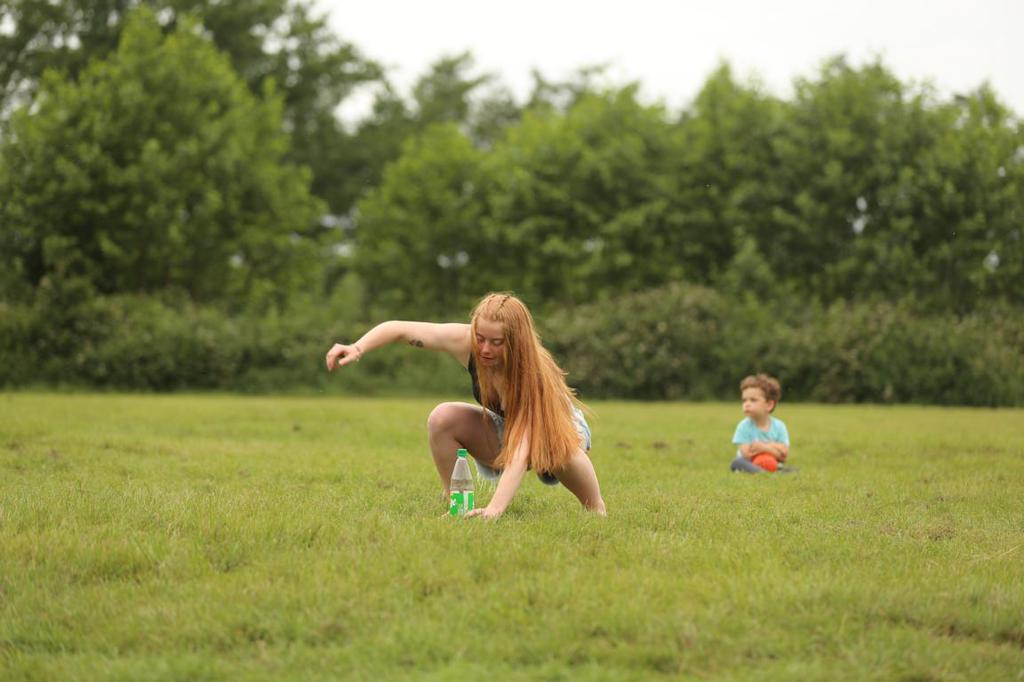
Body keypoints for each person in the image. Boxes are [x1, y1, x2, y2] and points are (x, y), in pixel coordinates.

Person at [324, 292, 606, 519]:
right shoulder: (466, 342)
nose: (485, 349)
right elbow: (400, 329)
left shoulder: (531, 374)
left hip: (560, 428)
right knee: (442, 417)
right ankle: (456, 504)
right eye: (480, 338)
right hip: (507, 427)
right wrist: (357, 348)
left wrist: (495, 510)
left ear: (516, 342)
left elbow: (521, 450)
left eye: (496, 342)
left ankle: (596, 510)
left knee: (559, 447)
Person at [730, 374, 791, 474]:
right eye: (744, 400)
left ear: (769, 405)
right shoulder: (743, 426)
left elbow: (783, 456)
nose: (747, 404)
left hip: (772, 462)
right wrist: (774, 447)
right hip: (749, 463)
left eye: (753, 400)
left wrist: (764, 447)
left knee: (785, 467)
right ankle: (763, 473)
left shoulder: (779, 426)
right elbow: (747, 454)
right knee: (737, 462)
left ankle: (770, 471)